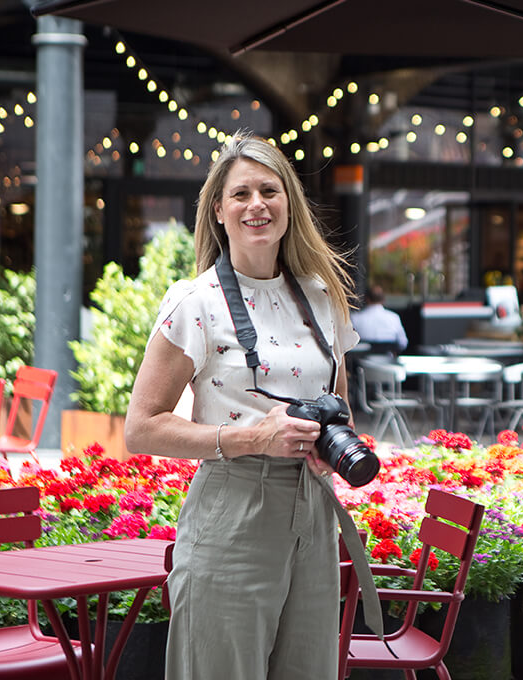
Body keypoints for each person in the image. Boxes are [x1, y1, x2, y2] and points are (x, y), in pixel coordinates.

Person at [125, 133, 361, 679]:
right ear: (218, 210)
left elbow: (341, 404)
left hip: (315, 512)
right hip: (233, 509)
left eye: (269, 191)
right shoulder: (195, 301)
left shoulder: (323, 296)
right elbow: (141, 429)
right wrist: (254, 439)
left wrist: (337, 444)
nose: (256, 204)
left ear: (289, 205)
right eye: (241, 194)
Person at [350, 284, 408, 352]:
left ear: (366, 299)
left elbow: (350, 343)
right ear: (383, 300)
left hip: (361, 360)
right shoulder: (394, 318)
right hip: (388, 360)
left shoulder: (354, 318)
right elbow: (403, 343)